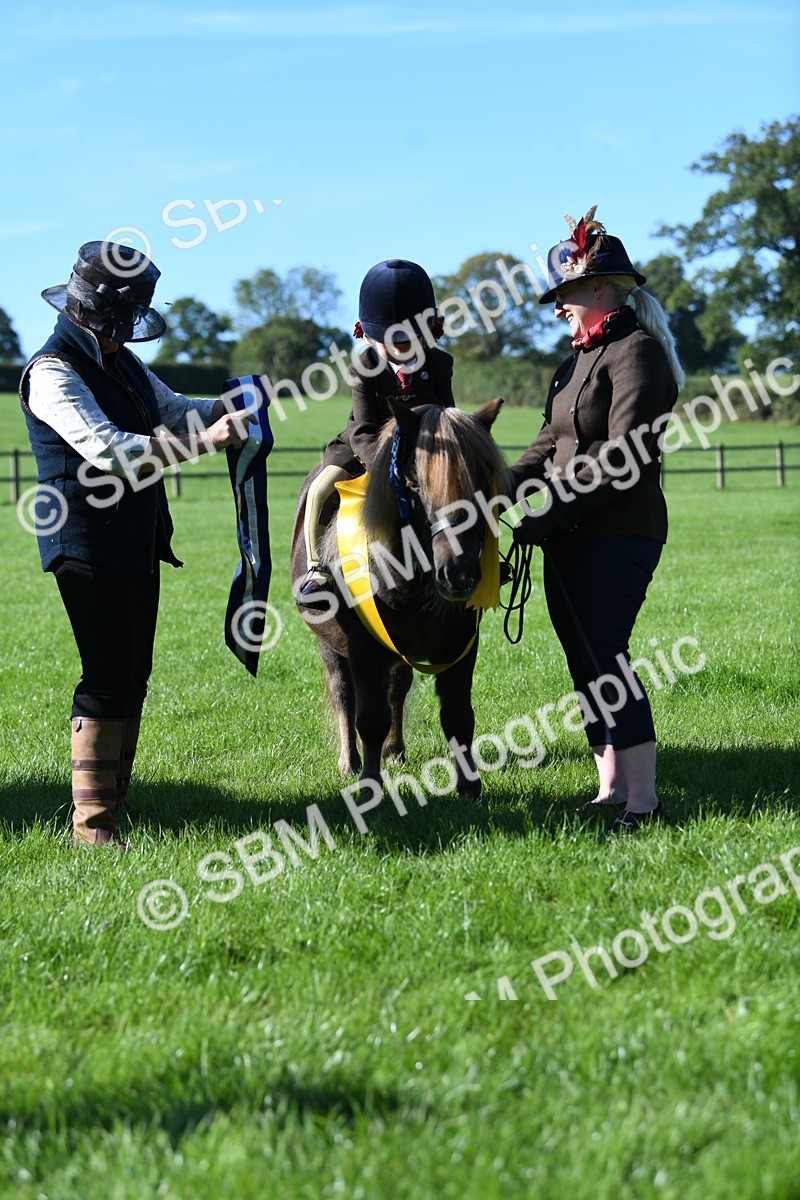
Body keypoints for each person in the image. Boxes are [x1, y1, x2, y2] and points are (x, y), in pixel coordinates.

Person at [19, 240, 254, 847]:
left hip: (136, 538)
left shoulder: (120, 360)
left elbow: (176, 412)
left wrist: (234, 409)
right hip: (82, 541)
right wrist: (209, 440)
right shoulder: (51, 371)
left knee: (134, 673)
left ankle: (114, 806)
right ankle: (91, 828)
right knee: (105, 673)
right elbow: (113, 453)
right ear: (103, 311)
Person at [511, 207, 684, 832]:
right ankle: (609, 787)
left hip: (620, 530)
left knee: (607, 654)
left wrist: (548, 511)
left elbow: (622, 459)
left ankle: (646, 803)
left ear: (601, 286)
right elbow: (546, 440)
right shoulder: (573, 361)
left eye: (566, 293)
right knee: (582, 657)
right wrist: (501, 486)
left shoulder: (637, 354)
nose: (558, 306)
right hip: (567, 533)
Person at [296, 258, 455, 603]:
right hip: (364, 448)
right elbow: (365, 429)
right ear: (368, 336)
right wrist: (389, 468)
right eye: (393, 343)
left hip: (428, 449)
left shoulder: (440, 364)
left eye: (411, 341)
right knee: (320, 488)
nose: (403, 351)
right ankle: (315, 567)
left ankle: (478, 558)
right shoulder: (363, 368)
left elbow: (448, 415)